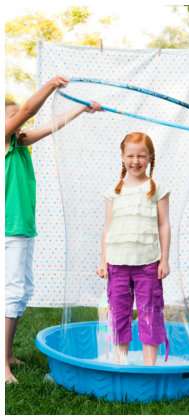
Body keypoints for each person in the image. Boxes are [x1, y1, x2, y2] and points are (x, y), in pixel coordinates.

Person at [5, 77, 101, 384]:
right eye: (11, 115)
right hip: (9, 230)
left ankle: (6, 354)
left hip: (20, 229)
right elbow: (30, 110)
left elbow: (50, 125)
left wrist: (81, 111)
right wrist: (49, 86)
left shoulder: (18, 144)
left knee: (19, 292)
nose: (17, 118)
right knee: (11, 293)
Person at [96, 132, 170, 366]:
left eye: (141, 156)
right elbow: (108, 227)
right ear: (122, 157)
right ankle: (121, 361)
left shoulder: (156, 188)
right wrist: (102, 261)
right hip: (116, 263)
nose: (135, 161)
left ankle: (150, 365)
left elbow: (164, 224)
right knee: (118, 312)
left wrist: (164, 260)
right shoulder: (114, 190)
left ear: (150, 158)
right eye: (130, 155)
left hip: (148, 263)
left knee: (150, 311)